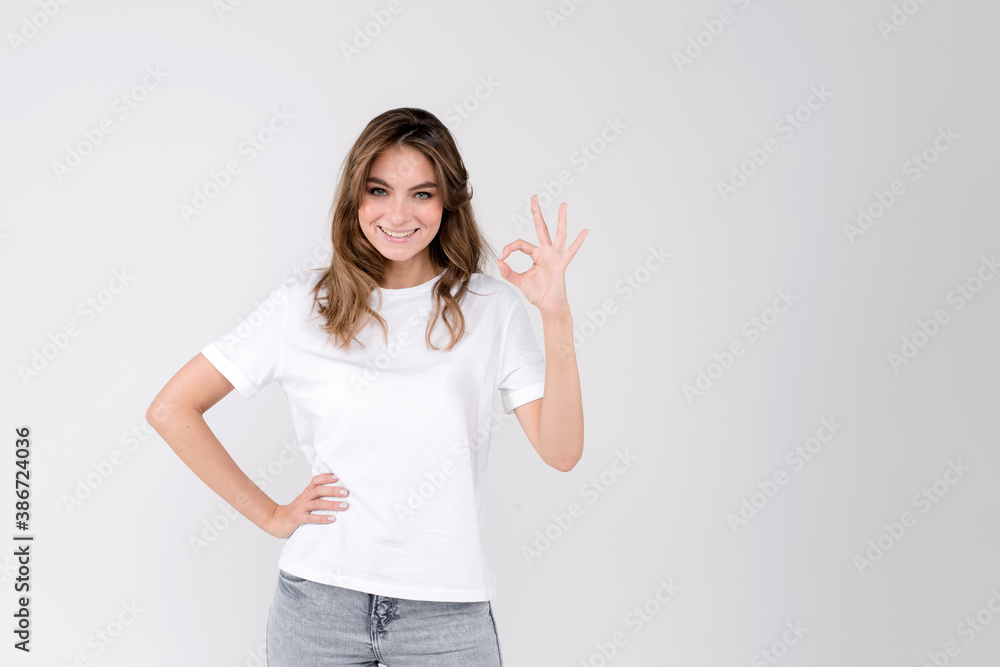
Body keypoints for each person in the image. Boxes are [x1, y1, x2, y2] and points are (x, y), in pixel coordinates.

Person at [146, 107, 587, 666]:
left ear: (447, 202)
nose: (398, 214)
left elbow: (562, 450)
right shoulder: (303, 305)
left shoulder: (491, 307)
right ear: (355, 196)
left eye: (422, 194)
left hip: (447, 614)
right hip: (317, 608)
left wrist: (556, 317)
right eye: (380, 190)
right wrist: (271, 515)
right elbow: (171, 409)